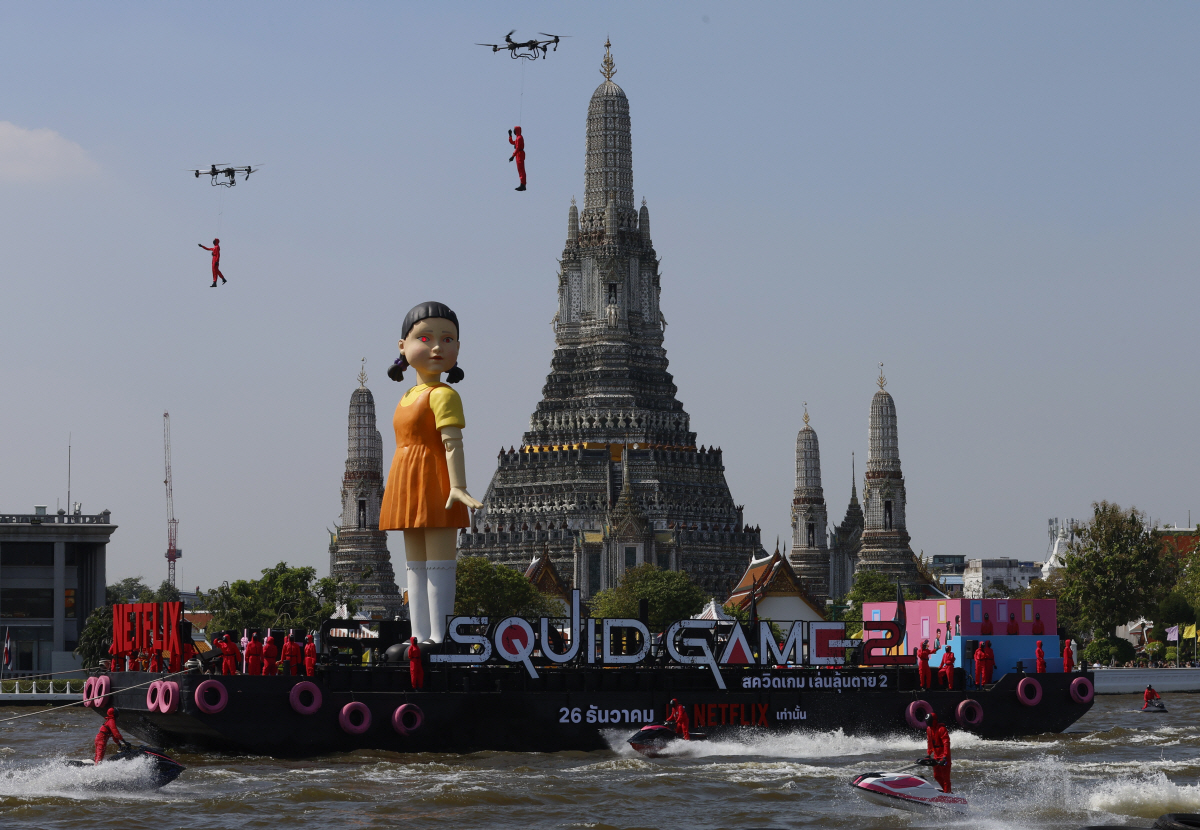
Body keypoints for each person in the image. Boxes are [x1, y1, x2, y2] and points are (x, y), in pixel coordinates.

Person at [380, 302, 482, 644]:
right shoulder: (408, 395)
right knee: (415, 564)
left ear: (458, 347)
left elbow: (453, 443)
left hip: (435, 478)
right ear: (402, 346)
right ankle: (418, 635)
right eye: (425, 338)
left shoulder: (444, 395)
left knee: (439, 562)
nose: (437, 347)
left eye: (447, 339)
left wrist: (459, 486)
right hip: (406, 479)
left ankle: (439, 637)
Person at [922, 712, 952, 793]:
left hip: (944, 756)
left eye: (929, 721)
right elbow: (929, 742)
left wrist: (945, 756)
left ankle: (948, 794)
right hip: (936, 755)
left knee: (945, 778)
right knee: (936, 776)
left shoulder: (942, 729)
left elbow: (946, 743)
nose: (927, 723)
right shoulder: (929, 729)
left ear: (934, 721)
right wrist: (929, 754)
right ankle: (946, 791)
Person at [508, 126, 526, 191]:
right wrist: (510, 135)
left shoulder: (519, 138)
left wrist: (512, 156)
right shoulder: (518, 138)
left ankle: (523, 184)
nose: (514, 131)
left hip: (520, 154)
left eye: (514, 130)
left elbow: (517, 148)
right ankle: (522, 184)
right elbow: (512, 142)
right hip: (518, 154)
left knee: (521, 170)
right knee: (520, 170)